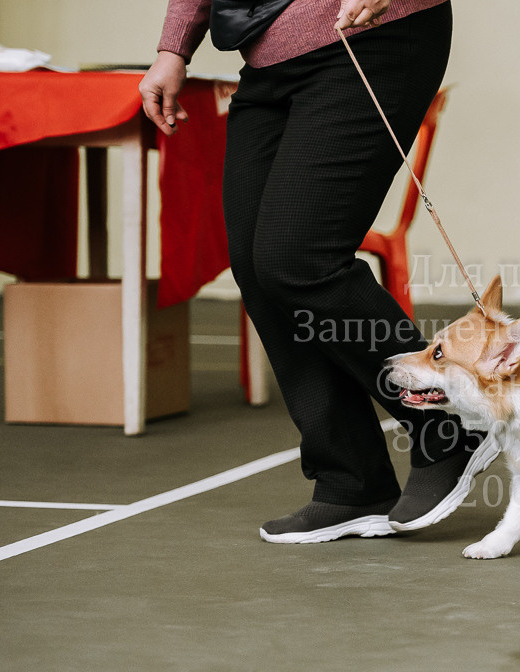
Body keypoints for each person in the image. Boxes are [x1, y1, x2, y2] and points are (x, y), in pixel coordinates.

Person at [139, 0, 497, 544]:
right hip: (266, 62)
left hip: (370, 40)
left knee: (299, 258)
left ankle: (446, 422)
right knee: (257, 269)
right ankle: (351, 481)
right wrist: (174, 47)